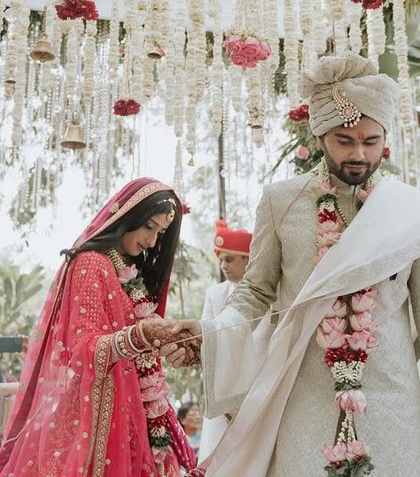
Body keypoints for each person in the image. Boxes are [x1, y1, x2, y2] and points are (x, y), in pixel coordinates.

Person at [162, 53, 420, 477]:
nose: (358, 153)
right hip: (305, 385)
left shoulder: (407, 209)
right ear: (320, 136)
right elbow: (257, 290)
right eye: (344, 140)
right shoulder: (282, 201)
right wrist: (212, 332)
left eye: (371, 142)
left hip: (391, 391)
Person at [0, 178, 196, 477]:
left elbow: (139, 346)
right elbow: (82, 350)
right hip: (95, 422)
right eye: (149, 227)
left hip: (132, 416)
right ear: (129, 215)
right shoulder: (92, 263)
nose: (153, 242)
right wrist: (140, 336)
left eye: (160, 233)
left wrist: (171, 340)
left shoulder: (130, 276)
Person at [199, 221, 274, 463]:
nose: (223, 266)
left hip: (260, 383)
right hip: (223, 383)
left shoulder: (270, 295)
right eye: (222, 260)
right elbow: (206, 339)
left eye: (230, 259)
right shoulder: (215, 293)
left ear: (247, 259)